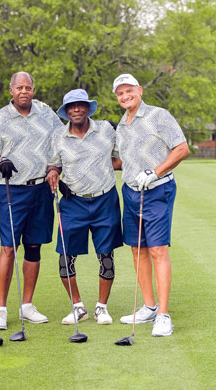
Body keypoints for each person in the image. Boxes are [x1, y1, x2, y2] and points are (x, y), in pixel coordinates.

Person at [112, 73, 190, 336]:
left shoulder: (159, 115)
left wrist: (155, 172)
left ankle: (164, 315)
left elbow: (181, 149)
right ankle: (149, 306)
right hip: (132, 191)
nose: (125, 96)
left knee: (157, 250)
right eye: (120, 93)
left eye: (129, 91)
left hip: (158, 189)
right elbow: (120, 161)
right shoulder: (121, 125)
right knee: (136, 249)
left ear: (140, 90)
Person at [0, 71, 63, 330]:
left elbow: (60, 144)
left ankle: (27, 306)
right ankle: (1, 309)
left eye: (28, 87)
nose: (24, 92)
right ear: (11, 91)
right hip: (12, 190)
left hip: (41, 189)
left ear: (33, 89)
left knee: (34, 247)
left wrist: (54, 167)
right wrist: (1, 161)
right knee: (9, 248)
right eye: (19, 88)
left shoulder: (47, 114)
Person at [46, 89, 123, 325]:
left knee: (106, 255)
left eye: (80, 105)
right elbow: (54, 165)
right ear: (66, 111)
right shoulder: (58, 136)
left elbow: (120, 158)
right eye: (71, 106)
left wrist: (101, 169)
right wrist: (52, 172)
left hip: (105, 199)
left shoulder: (106, 130)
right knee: (65, 257)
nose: (76, 109)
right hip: (72, 202)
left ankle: (102, 307)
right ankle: (78, 307)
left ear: (88, 108)